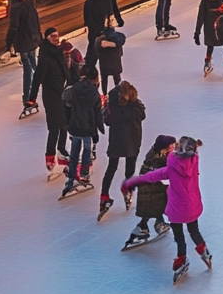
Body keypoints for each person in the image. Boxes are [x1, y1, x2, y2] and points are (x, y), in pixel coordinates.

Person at [123, 136, 212, 282]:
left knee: (179, 236)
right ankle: (204, 251)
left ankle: (181, 258)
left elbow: (151, 176)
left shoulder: (171, 168)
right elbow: (191, 154)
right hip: (193, 206)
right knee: (194, 231)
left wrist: (133, 181)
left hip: (177, 210)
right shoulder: (194, 163)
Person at [98, 79, 146, 220]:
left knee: (111, 167)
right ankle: (127, 189)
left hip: (116, 141)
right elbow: (142, 116)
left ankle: (104, 195)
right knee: (129, 167)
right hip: (132, 141)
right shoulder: (135, 107)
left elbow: (106, 120)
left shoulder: (112, 105)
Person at [28, 25, 70, 178]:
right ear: (46, 38)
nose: (56, 38)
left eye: (57, 35)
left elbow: (66, 72)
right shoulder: (45, 57)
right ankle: (50, 157)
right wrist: (31, 98)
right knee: (54, 127)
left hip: (62, 93)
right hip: (51, 96)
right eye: (53, 36)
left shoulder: (58, 53)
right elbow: (37, 79)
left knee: (64, 124)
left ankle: (62, 151)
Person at [123, 134, 174, 250]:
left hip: (152, 187)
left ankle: (152, 225)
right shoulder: (158, 158)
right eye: (171, 146)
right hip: (151, 187)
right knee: (154, 207)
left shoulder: (159, 154)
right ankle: (145, 227)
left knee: (154, 207)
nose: (173, 148)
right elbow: (164, 172)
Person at [60, 64, 104, 197]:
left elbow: (64, 100)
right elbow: (97, 114)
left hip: (74, 126)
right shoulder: (94, 93)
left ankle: (71, 178)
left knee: (74, 152)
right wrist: (98, 130)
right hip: (88, 128)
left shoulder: (73, 89)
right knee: (87, 150)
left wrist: (67, 121)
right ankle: (84, 174)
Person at [5, 0, 41, 114]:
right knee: (33, 65)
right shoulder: (31, 4)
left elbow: (14, 27)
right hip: (32, 41)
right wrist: (39, 39)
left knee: (27, 69)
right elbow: (37, 23)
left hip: (23, 42)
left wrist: (8, 43)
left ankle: (28, 98)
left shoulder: (17, 8)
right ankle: (45, 82)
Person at [95, 17, 126, 93]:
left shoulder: (100, 38)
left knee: (104, 79)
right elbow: (121, 40)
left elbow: (98, 46)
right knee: (117, 79)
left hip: (104, 61)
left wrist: (107, 44)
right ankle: (119, 93)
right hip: (115, 60)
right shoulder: (118, 36)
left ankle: (105, 95)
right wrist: (114, 45)